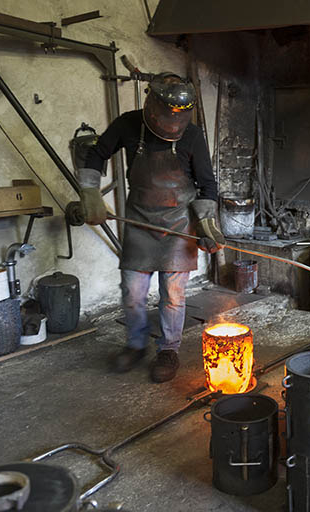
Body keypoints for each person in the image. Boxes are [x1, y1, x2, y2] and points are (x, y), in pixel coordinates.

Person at [78, 72, 225, 383]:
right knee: (132, 292)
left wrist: (207, 222)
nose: (172, 122)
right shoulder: (128, 124)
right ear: (152, 103)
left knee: (173, 295)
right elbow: (96, 152)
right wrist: (90, 189)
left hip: (179, 225)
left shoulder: (193, 136)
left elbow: (207, 185)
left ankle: (168, 349)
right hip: (140, 221)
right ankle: (135, 344)